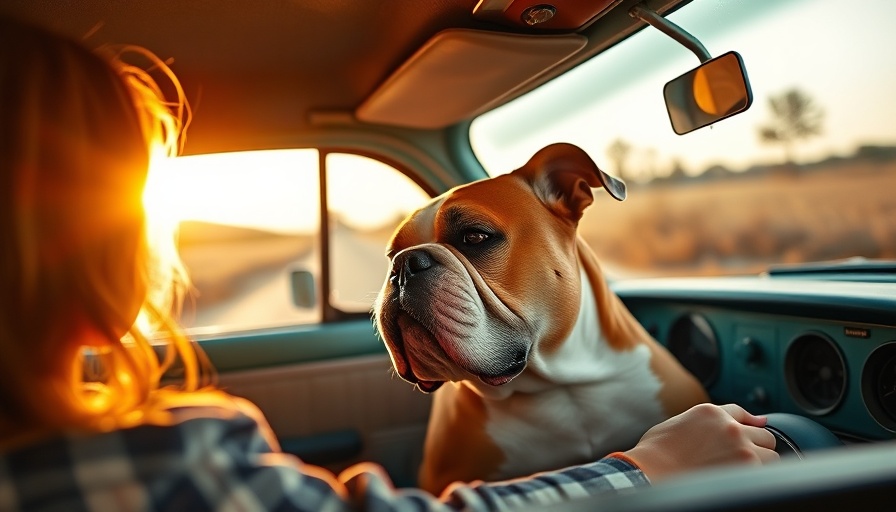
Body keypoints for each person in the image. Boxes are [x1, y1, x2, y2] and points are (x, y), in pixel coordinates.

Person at [0, 14, 778, 511]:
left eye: (473, 241)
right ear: (86, 269)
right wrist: (648, 469)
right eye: (401, 261)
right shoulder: (177, 462)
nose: (406, 278)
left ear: (572, 202)